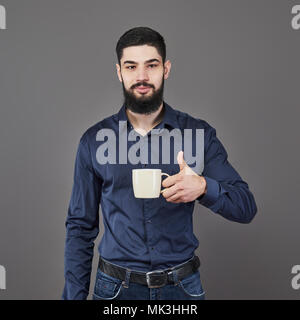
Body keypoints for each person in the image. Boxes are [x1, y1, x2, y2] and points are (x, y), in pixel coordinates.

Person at [62, 26, 257, 300]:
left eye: (151, 65)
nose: (141, 77)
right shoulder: (93, 141)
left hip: (182, 289)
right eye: (131, 67)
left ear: (166, 69)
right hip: (115, 290)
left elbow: (245, 207)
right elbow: (80, 228)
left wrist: (202, 187)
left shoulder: (197, 135)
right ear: (119, 72)